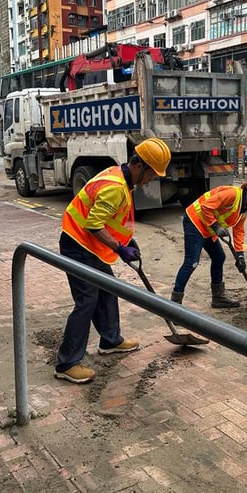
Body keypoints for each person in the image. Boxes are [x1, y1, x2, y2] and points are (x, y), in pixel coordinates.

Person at [53, 138, 172, 384]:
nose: (153, 179)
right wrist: (120, 248)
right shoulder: (116, 186)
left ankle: (110, 339)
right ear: (141, 166)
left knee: (108, 290)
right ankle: (66, 363)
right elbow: (94, 224)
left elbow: (110, 219)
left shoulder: (121, 177)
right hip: (78, 245)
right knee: (86, 301)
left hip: (91, 247)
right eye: (153, 174)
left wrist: (127, 240)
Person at [170, 179, 247, 309]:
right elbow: (206, 206)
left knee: (219, 257)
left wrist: (240, 255)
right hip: (195, 222)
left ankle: (218, 297)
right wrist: (215, 226)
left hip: (208, 229)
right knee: (191, 262)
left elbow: (239, 231)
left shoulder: (243, 210)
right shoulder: (232, 194)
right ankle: (174, 304)